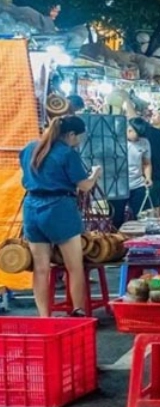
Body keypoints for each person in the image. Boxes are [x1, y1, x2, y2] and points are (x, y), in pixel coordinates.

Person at [20, 116, 102, 317]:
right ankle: (78, 310)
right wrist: (95, 174)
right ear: (71, 134)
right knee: (74, 266)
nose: (79, 142)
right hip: (59, 209)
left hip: (32, 208)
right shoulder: (67, 153)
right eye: (79, 137)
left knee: (40, 269)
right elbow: (84, 186)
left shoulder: (30, 148)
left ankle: (44, 317)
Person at [109, 117, 152, 229]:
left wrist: (148, 177)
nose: (135, 136)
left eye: (139, 134)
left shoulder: (144, 142)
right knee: (116, 219)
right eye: (134, 132)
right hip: (117, 187)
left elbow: (146, 163)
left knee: (142, 217)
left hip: (138, 184)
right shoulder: (115, 141)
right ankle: (117, 242)